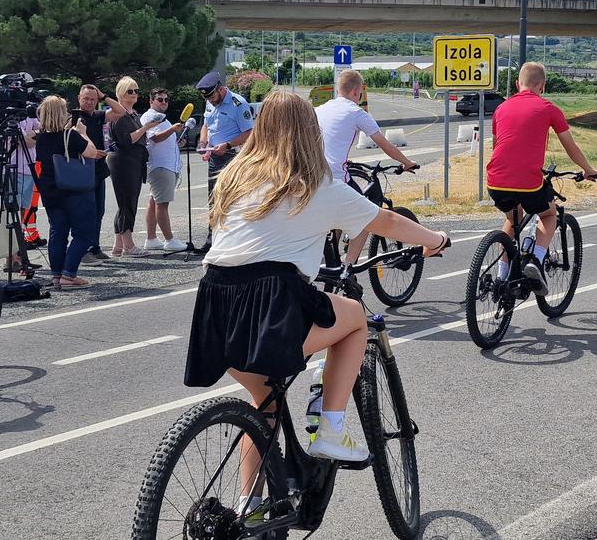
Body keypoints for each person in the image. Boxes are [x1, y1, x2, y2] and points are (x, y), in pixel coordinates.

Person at [184, 91, 449, 497]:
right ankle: (330, 428)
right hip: (273, 302)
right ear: (310, 131)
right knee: (356, 321)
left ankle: (247, 505)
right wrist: (435, 238)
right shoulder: (313, 184)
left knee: (264, 407)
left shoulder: (235, 178)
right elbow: (387, 221)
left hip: (216, 307)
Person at [486, 62, 597, 294]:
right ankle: (536, 260)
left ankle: (500, 277)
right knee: (549, 214)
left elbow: (498, 145)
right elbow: (569, 145)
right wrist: (587, 169)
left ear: (518, 84)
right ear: (542, 85)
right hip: (528, 182)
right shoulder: (548, 108)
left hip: (495, 180)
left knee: (513, 218)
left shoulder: (501, 108)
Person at [315, 69, 418, 265]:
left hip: (313, 175)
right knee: (365, 217)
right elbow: (385, 144)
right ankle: (347, 270)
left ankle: (331, 260)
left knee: (339, 213)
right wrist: (407, 163)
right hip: (335, 176)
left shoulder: (319, 109)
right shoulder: (356, 113)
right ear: (356, 91)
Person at [34, 96, 99, 288]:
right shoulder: (70, 135)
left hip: (51, 191)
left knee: (58, 231)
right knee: (85, 233)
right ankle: (69, 274)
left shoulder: (41, 137)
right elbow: (92, 152)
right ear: (61, 114)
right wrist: (83, 133)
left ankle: (56, 274)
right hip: (74, 190)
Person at [195, 71, 256, 253]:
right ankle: (212, 237)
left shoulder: (238, 104)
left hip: (233, 156)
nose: (211, 100)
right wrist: (203, 142)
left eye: (213, 96)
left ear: (221, 89)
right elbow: (206, 125)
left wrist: (228, 144)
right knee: (214, 198)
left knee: (233, 199)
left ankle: (234, 239)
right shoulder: (210, 101)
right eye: (208, 98)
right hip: (214, 155)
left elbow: (249, 133)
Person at [106, 76, 162, 256]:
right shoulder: (119, 114)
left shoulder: (132, 113)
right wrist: (146, 128)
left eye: (136, 91)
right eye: (130, 91)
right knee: (127, 202)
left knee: (127, 202)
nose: (134, 94)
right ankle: (128, 244)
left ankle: (119, 245)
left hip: (133, 160)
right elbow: (126, 140)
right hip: (124, 160)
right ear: (121, 93)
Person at [75, 84, 123, 264]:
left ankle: (94, 247)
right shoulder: (73, 117)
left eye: (92, 99)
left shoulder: (97, 116)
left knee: (98, 210)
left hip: (99, 169)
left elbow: (121, 112)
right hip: (81, 169)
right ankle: (82, 249)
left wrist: (104, 97)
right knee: (84, 211)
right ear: (79, 98)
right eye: (85, 98)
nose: (88, 102)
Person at [141, 87, 187, 253]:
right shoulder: (151, 116)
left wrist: (176, 142)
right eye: (160, 99)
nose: (164, 103)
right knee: (162, 204)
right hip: (161, 166)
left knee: (154, 202)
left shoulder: (163, 119)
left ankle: (151, 238)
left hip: (166, 165)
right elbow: (155, 137)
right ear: (151, 101)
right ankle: (169, 240)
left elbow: (162, 140)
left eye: (166, 100)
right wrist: (172, 130)